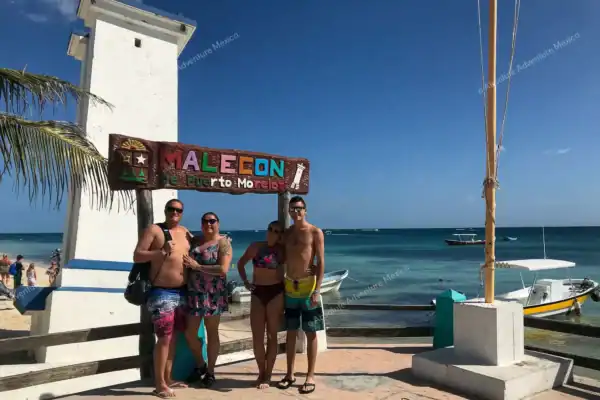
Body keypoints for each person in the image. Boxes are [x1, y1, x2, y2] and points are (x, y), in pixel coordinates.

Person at [133, 199, 204, 398]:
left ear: (182, 213)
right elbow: (138, 255)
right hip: (162, 292)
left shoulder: (184, 232)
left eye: (178, 210)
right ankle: (159, 384)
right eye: (171, 209)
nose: (175, 212)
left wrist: (219, 240)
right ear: (165, 211)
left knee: (173, 339)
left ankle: (168, 378)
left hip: (182, 291)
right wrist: (160, 252)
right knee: (164, 339)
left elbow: (199, 244)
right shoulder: (154, 230)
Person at [278, 196, 325, 394]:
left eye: (299, 209)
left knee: (311, 333)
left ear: (305, 210)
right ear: (289, 211)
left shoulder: (315, 232)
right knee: (290, 332)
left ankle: (310, 375)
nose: (295, 212)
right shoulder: (286, 233)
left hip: (308, 289)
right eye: (292, 209)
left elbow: (321, 262)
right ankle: (289, 374)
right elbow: (280, 258)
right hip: (290, 287)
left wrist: (317, 289)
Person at [183, 212, 232, 388]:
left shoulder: (223, 243)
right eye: (205, 221)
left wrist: (198, 267)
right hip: (194, 293)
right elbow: (183, 235)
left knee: (212, 333)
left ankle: (210, 371)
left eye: (212, 221)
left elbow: (223, 269)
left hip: (214, 295)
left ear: (218, 223)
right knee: (190, 333)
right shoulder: (196, 241)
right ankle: (201, 363)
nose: (208, 224)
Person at [237, 220, 285, 389]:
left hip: (276, 293)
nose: (272, 232)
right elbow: (241, 263)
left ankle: (268, 376)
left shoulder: (283, 250)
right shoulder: (256, 246)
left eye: (277, 231)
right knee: (257, 337)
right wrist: (245, 282)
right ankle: (261, 373)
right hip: (258, 292)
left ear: (281, 235)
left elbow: (298, 262)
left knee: (272, 336)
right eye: (270, 229)